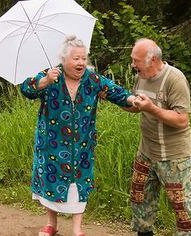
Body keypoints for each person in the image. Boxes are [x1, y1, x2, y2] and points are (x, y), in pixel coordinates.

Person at [20, 35, 136, 236]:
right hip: (52, 143)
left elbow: (118, 93)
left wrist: (134, 99)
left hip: (82, 144)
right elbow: (26, 89)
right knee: (51, 179)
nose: (81, 62)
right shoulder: (51, 76)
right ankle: (51, 224)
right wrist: (45, 81)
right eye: (76, 58)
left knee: (79, 183)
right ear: (64, 60)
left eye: (83, 58)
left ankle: (77, 229)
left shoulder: (93, 80)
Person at [127, 38, 191, 236]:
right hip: (146, 152)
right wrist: (116, 96)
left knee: (182, 209)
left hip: (174, 157)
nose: (133, 64)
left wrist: (152, 108)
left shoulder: (174, 79)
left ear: (152, 59)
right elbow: (137, 106)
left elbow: (181, 120)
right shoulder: (140, 76)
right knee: (139, 201)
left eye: (137, 60)